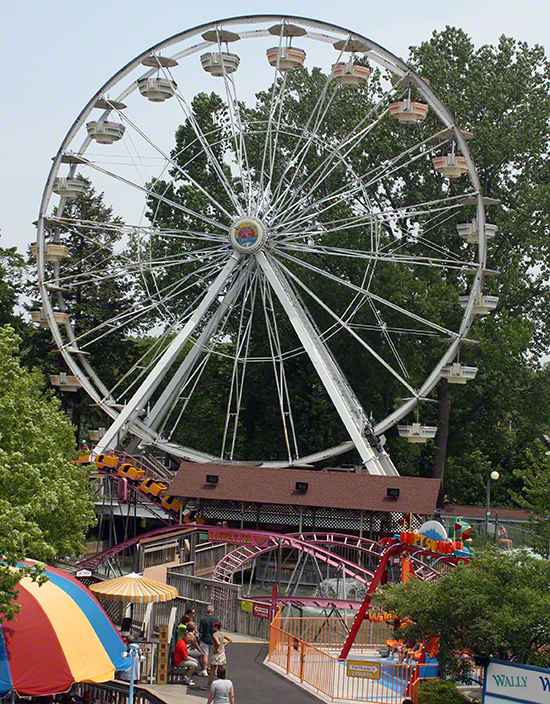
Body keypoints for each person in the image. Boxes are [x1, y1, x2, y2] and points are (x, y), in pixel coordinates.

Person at [202, 622, 233, 690]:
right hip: (222, 653)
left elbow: (218, 643)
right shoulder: (222, 634)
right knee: (221, 669)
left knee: (212, 670)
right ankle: (224, 685)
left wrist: (216, 649)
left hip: (216, 654)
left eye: (213, 626)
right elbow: (230, 640)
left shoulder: (215, 634)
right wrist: (223, 646)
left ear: (216, 627)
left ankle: (208, 685)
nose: (212, 628)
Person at [198, 604, 217, 676]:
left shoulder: (202, 620)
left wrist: (200, 639)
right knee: (214, 655)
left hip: (205, 639)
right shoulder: (215, 619)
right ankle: (215, 670)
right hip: (213, 639)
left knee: (205, 655)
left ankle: (204, 670)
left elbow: (201, 632)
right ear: (212, 611)